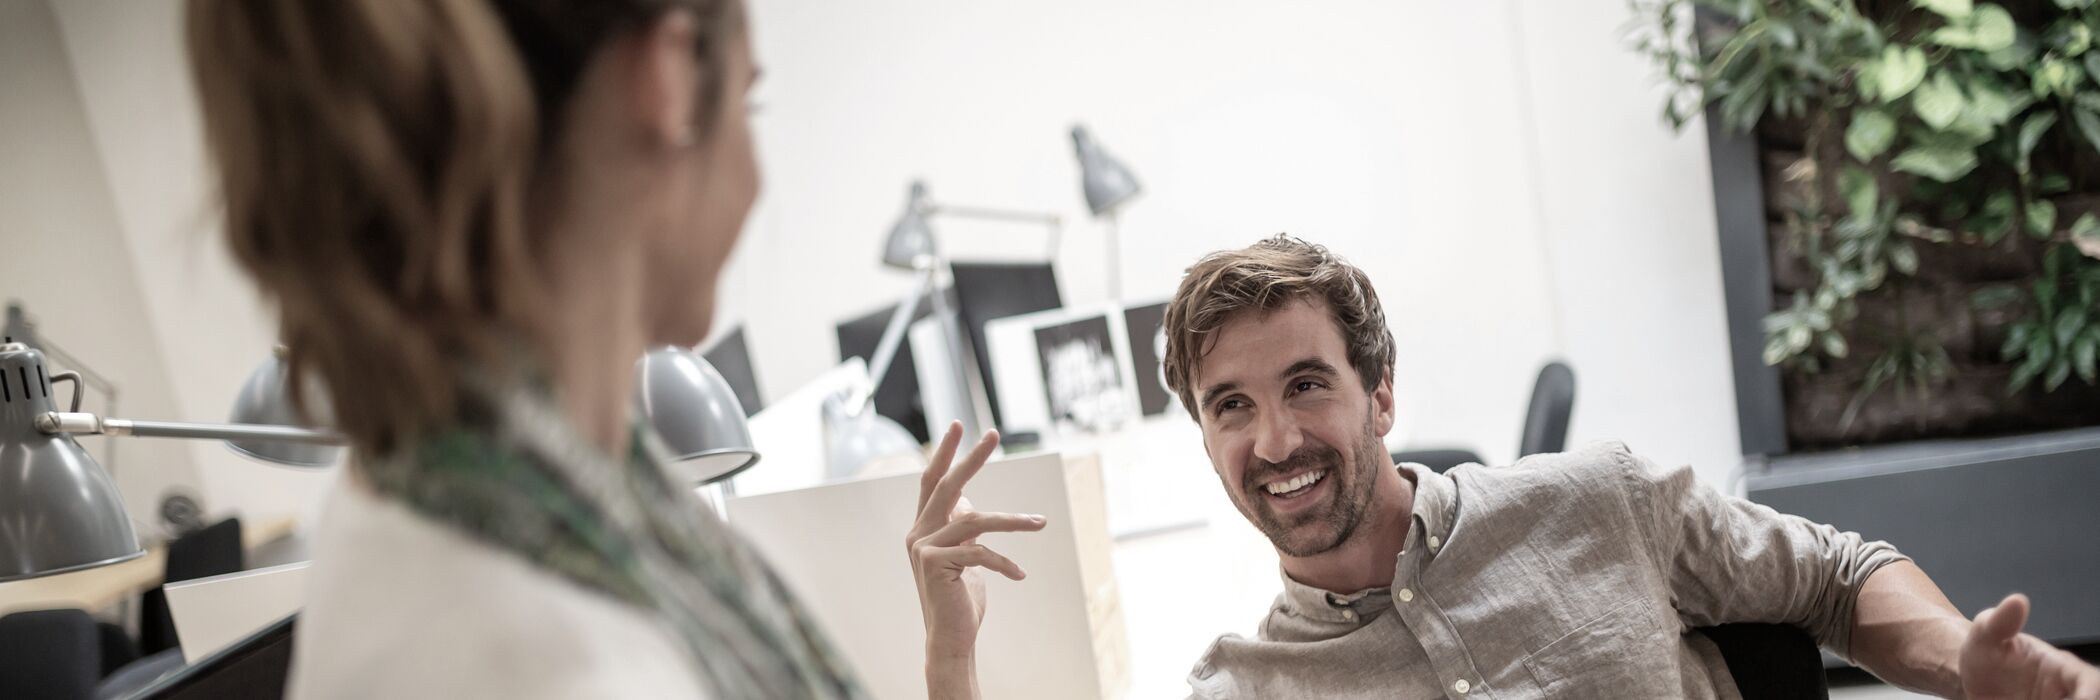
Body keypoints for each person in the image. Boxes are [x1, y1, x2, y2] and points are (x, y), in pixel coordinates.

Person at [908, 235, 2100, 699]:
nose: (1274, 442)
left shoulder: (1600, 502)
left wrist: (1956, 665)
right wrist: (954, 655)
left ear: (1382, 391)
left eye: (1306, 385)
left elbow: (1837, 575)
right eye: (1234, 407)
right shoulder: (1243, 687)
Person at [186, 0, 861, 697]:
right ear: (673, 79)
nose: (755, 182)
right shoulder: (578, 663)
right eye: (750, 100)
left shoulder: (454, 496)